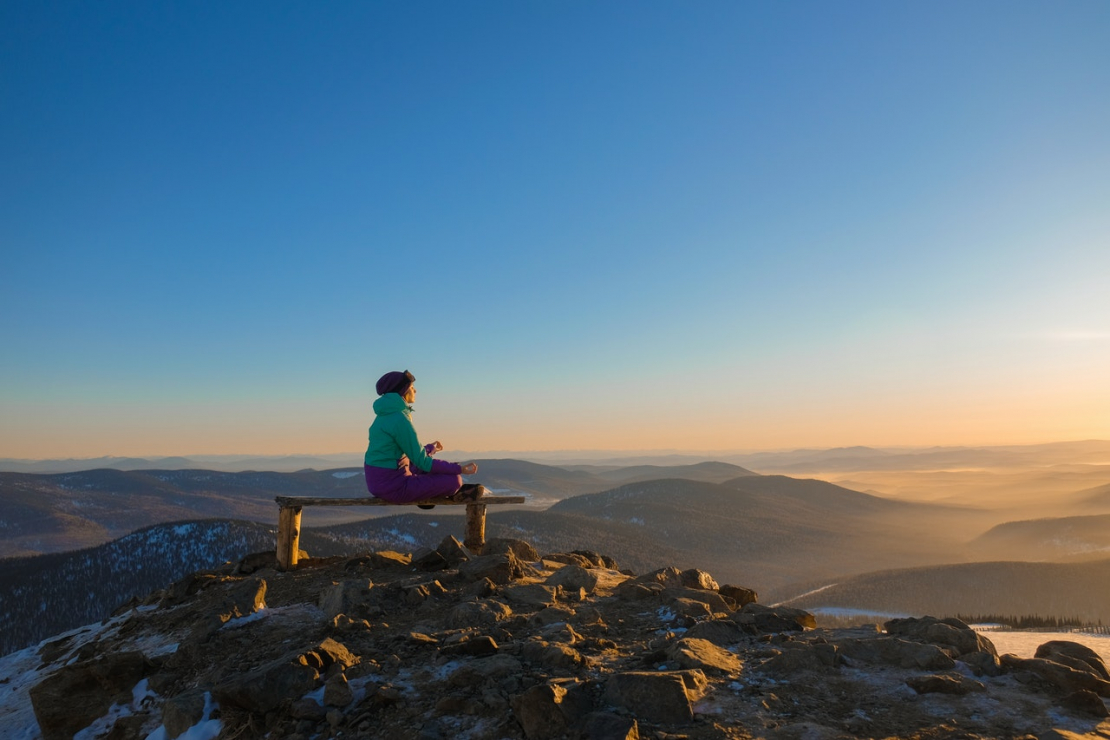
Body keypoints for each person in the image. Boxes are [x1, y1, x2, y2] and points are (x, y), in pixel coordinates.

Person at [364, 370, 485, 505]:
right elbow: (423, 462)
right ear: (403, 390)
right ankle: (433, 494)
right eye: (411, 387)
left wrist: (429, 449)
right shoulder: (399, 420)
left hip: (382, 481)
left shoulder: (384, 416)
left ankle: (426, 491)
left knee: (420, 468)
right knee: (454, 480)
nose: (415, 391)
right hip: (394, 488)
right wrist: (459, 469)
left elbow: (407, 453)